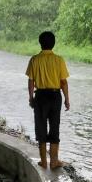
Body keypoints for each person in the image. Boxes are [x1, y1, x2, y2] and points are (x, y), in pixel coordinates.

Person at [26, 31, 70, 169]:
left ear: (40, 43)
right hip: (55, 96)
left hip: (40, 96)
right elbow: (63, 82)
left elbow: (31, 81)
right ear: (53, 44)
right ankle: (54, 161)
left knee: (40, 127)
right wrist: (67, 99)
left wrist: (31, 97)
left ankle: (44, 161)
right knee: (54, 126)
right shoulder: (59, 60)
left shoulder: (34, 59)